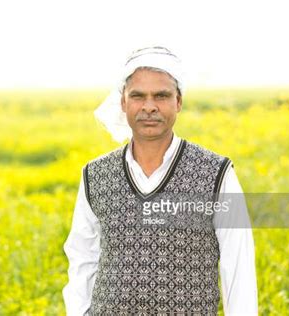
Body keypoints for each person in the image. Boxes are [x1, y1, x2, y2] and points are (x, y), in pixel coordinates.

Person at [62, 46, 258, 315]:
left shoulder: (216, 173)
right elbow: (82, 259)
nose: (149, 106)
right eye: (138, 96)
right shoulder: (95, 175)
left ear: (178, 102)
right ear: (123, 102)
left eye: (161, 96)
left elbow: (238, 268)